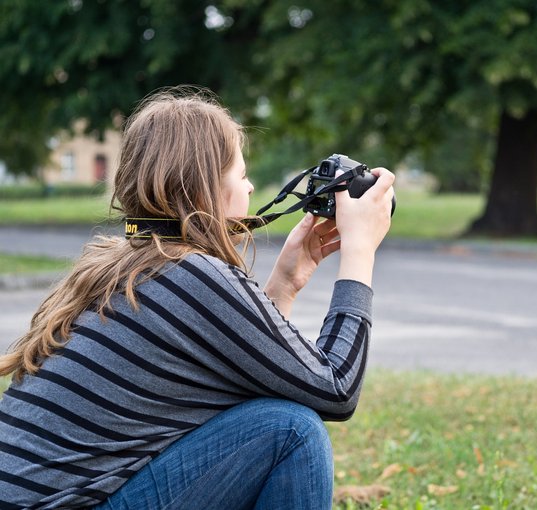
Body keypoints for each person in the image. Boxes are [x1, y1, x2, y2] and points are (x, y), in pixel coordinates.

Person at [0, 87, 395, 509]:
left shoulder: (130, 263)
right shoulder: (192, 275)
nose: (251, 187)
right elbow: (336, 389)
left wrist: (285, 284)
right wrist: (359, 251)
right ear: (208, 189)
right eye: (242, 176)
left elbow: (231, 380)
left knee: (278, 420)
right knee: (292, 431)